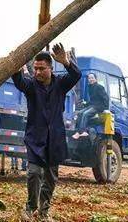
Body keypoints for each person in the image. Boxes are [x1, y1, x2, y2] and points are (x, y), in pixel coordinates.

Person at [12, 43, 81, 220]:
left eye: (41, 69)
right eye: (35, 69)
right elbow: (19, 82)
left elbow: (76, 75)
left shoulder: (60, 84)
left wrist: (66, 62)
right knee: (34, 173)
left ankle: (43, 212)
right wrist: (15, 66)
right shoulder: (31, 86)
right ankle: (30, 207)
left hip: (55, 140)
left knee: (50, 178)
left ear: (50, 68)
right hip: (35, 138)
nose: (37, 72)